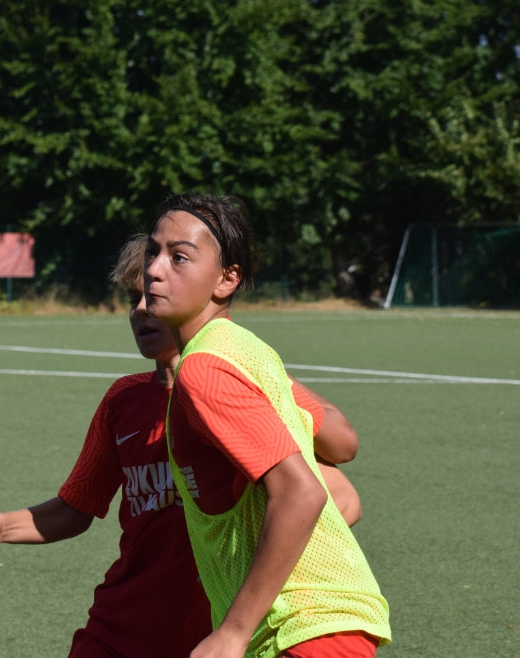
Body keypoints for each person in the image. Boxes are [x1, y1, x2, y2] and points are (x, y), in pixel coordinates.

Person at [0, 233, 366, 658]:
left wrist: (267, 377)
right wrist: (2, 526)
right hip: (124, 624)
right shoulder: (122, 401)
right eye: (133, 299)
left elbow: (340, 487)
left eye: (152, 296)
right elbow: (76, 508)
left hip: (214, 628)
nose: (142, 310)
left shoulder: (237, 389)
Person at [143, 193, 391, 658]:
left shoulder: (206, 368)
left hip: (301, 629)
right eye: (152, 253)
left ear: (227, 278)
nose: (154, 269)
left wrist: (233, 632)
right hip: (312, 625)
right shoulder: (244, 349)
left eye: (179, 257)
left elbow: (302, 491)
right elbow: (336, 466)